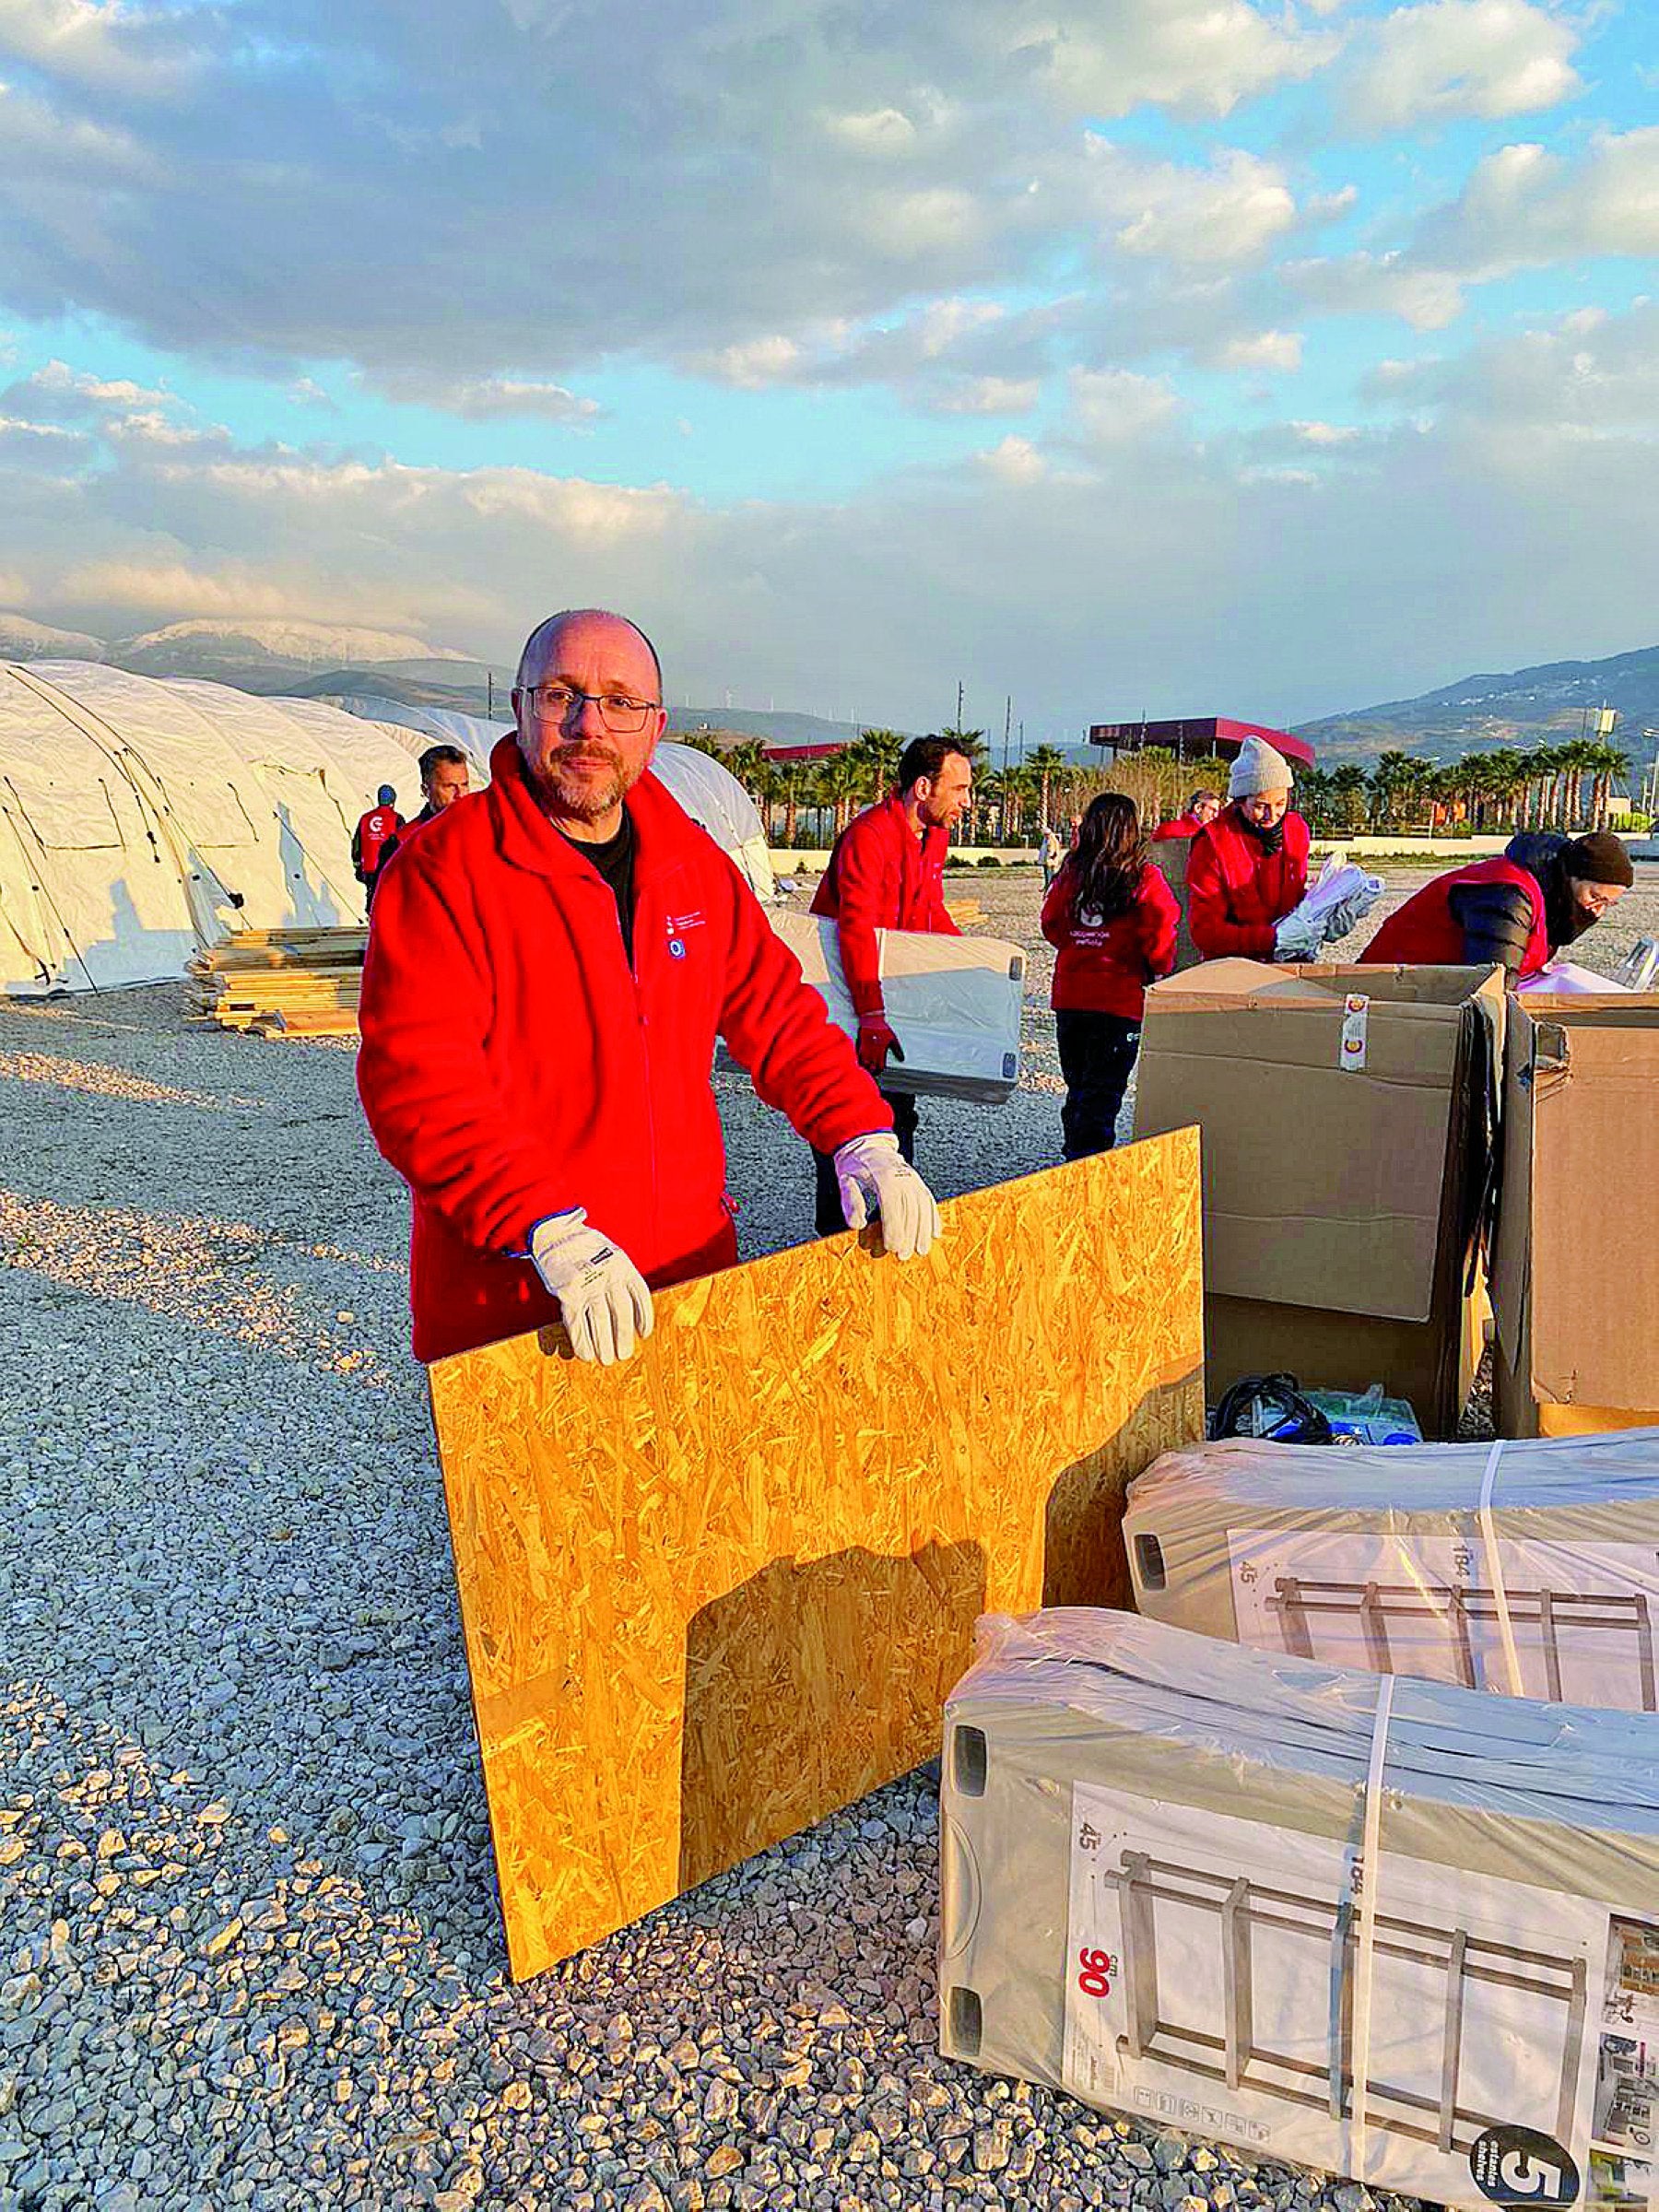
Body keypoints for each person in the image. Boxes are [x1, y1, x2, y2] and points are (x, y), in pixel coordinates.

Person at [357, 608, 940, 1366]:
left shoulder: (690, 866)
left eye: (620, 702)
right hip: (525, 1297)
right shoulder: (445, 873)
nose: (588, 725)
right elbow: (418, 1082)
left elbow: (779, 1015)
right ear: (521, 709)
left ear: (656, 724)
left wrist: (862, 1134)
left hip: (684, 1281)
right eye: (561, 694)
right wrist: (545, 1226)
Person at [807, 735, 974, 1236]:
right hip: (852, 1003)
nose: (967, 801)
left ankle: (890, 1228)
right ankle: (837, 1237)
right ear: (924, 787)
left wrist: (972, 962)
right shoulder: (870, 836)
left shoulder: (934, 839)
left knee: (899, 1117)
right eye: (960, 788)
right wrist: (871, 1015)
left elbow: (929, 912)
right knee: (841, 1121)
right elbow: (854, 929)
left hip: (896, 1004)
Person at [1041, 793, 1179, 1159]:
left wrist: (1077, 946)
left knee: (1078, 1085)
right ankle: (1089, 1162)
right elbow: (1164, 921)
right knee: (1104, 1091)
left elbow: (1050, 924)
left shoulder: (1072, 873)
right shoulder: (1143, 876)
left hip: (1072, 997)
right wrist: (1158, 965)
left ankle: (1075, 1153)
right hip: (1119, 999)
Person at [1363, 829, 1633, 981]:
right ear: (1570, 877)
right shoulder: (1508, 895)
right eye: (1594, 897)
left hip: (1430, 987)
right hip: (1388, 989)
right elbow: (1493, 980)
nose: (1597, 910)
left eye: (1608, 904)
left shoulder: (1552, 900)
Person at [1186, 737, 1311, 960]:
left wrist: (1326, 911)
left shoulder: (1296, 830)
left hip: (1291, 958)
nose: (1272, 816)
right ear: (1240, 802)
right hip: (1234, 965)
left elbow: (1297, 896)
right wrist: (1273, 938)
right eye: (1261, 806)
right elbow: (1205, 932)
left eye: (1281, 803)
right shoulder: (1212, 844)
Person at [377, 745, 472, 874]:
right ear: (426, 790)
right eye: (449, 786)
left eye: (465, 785)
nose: (460, 794)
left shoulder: (483, 831)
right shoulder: (402, 843)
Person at [351, 784, 404, 911]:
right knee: (387, 898)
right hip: (387, 867)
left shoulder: (365, 818)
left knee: (372, 894)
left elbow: (357, 843)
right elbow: (403, 843)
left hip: (368, 866)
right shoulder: (396, 819)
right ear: (393, 800)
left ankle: (371, 917)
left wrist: (357, 864)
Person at [1152, 788, 1221, 842]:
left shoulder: (1165, 828)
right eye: (1213, 810)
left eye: (1218, 812)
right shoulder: (1207, 837)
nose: (1215, 815)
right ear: (1198, 808)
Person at [1039, 820, 1065, 887]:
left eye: (1047, 834)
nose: (1046, 836)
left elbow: (1055, 851)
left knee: (1051, 877)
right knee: (1046, 877)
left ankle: (1051, 887)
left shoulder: (1053, 840)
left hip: (1051, 863)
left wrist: (1052, 858)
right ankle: (1047, 887)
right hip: (1045, 862)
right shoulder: (1045, 840)